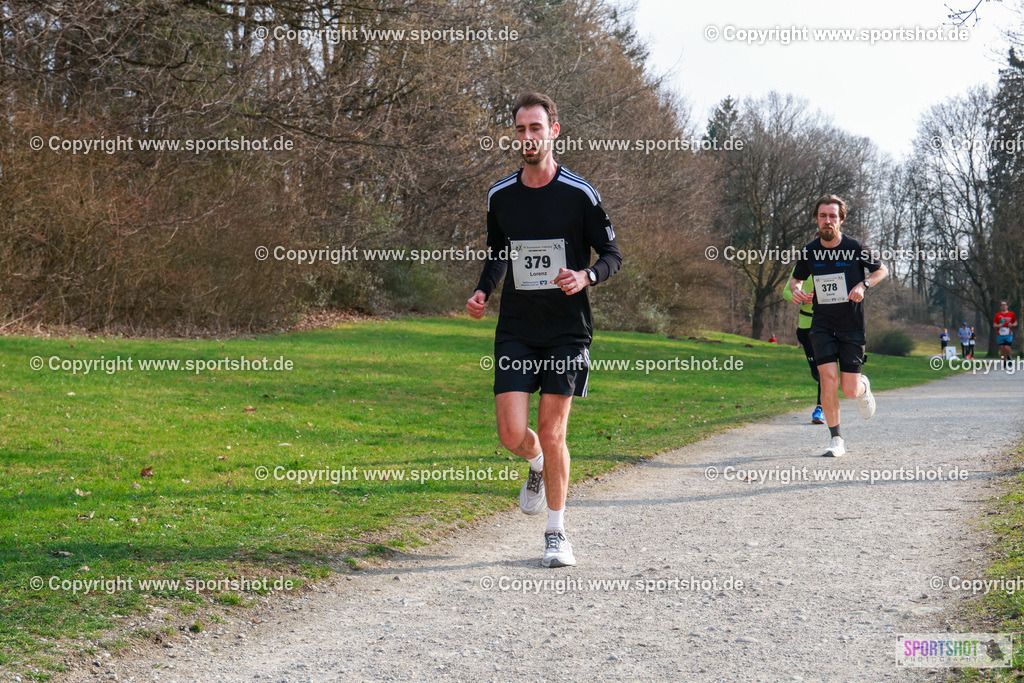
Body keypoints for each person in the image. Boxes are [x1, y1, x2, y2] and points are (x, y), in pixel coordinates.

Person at [467, 92, 622, 568]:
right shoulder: (501, 196)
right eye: (520, 129)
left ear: (554, 131)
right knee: (513, 433)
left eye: (536, 128)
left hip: (567, 331)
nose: (528, 137)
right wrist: (482, 292)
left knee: (554, 431)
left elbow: (613, 256)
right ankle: (534, 466)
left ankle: (556, 531)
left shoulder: (580, 194)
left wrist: (586, 276)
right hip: (516, 327)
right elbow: (499, 252)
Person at [790, 195, 889, 457]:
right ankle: (836, 439)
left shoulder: (855, 247)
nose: (827, 221)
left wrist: (863, 285)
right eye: (823, 216)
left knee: (849, 389)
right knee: (827, 381)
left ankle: (863, 387)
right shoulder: (810, 251)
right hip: (821, 325)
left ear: (841, 220)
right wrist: (797, 291)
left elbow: (881, 270)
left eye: (832, 216)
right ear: (816, 219)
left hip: (852, 325)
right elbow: (796, 280)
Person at [783, 267, 825, 424]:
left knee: (824, 370)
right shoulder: (803, 266)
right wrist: (800, 298)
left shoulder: (836, 264)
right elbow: (786, 292)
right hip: (806, 328)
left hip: (828, 327)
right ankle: (825, 391)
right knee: (817, 373)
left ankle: (820, 409)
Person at [993, 301, 1018, 369]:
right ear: (1001, 307)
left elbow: (1015, 323)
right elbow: (994, 325)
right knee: (1002, 349)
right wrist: (998, 325)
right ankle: (1004, 363)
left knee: (1007, 348)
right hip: (1000, 334)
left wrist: (1012, 325)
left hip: (1008, 333)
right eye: (1002, 305)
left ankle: (1009, 357)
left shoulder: (1011, 314)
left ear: (1007, 306)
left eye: (1005, 305)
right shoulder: (997, 315)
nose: (1003, 306)